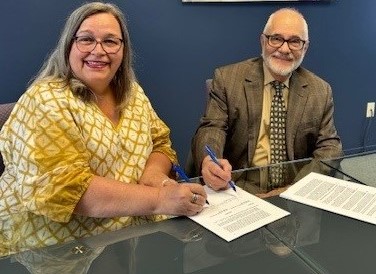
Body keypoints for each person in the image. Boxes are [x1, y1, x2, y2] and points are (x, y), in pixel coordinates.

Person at [0, 2, 207, 256]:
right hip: (56, 250)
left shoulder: (132, 93)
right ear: (69, 46)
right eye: (86, 39)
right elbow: (65, 188)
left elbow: (160, 143)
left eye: (110, 42)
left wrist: (153, 175)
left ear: (123, 50)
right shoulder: (45, 101)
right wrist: (160, 200)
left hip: (126, 237)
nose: (98, 51)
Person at [190, 8, 343, 196]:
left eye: (295, 41)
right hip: (238, 188)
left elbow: (330, 147)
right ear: (263, 41)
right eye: (276, 39)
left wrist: (295, 189)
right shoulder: (228, 79)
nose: (285, 49)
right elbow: (212, 127)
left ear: (305, 47)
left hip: (293, 187)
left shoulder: (320, 90)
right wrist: (209, 162)